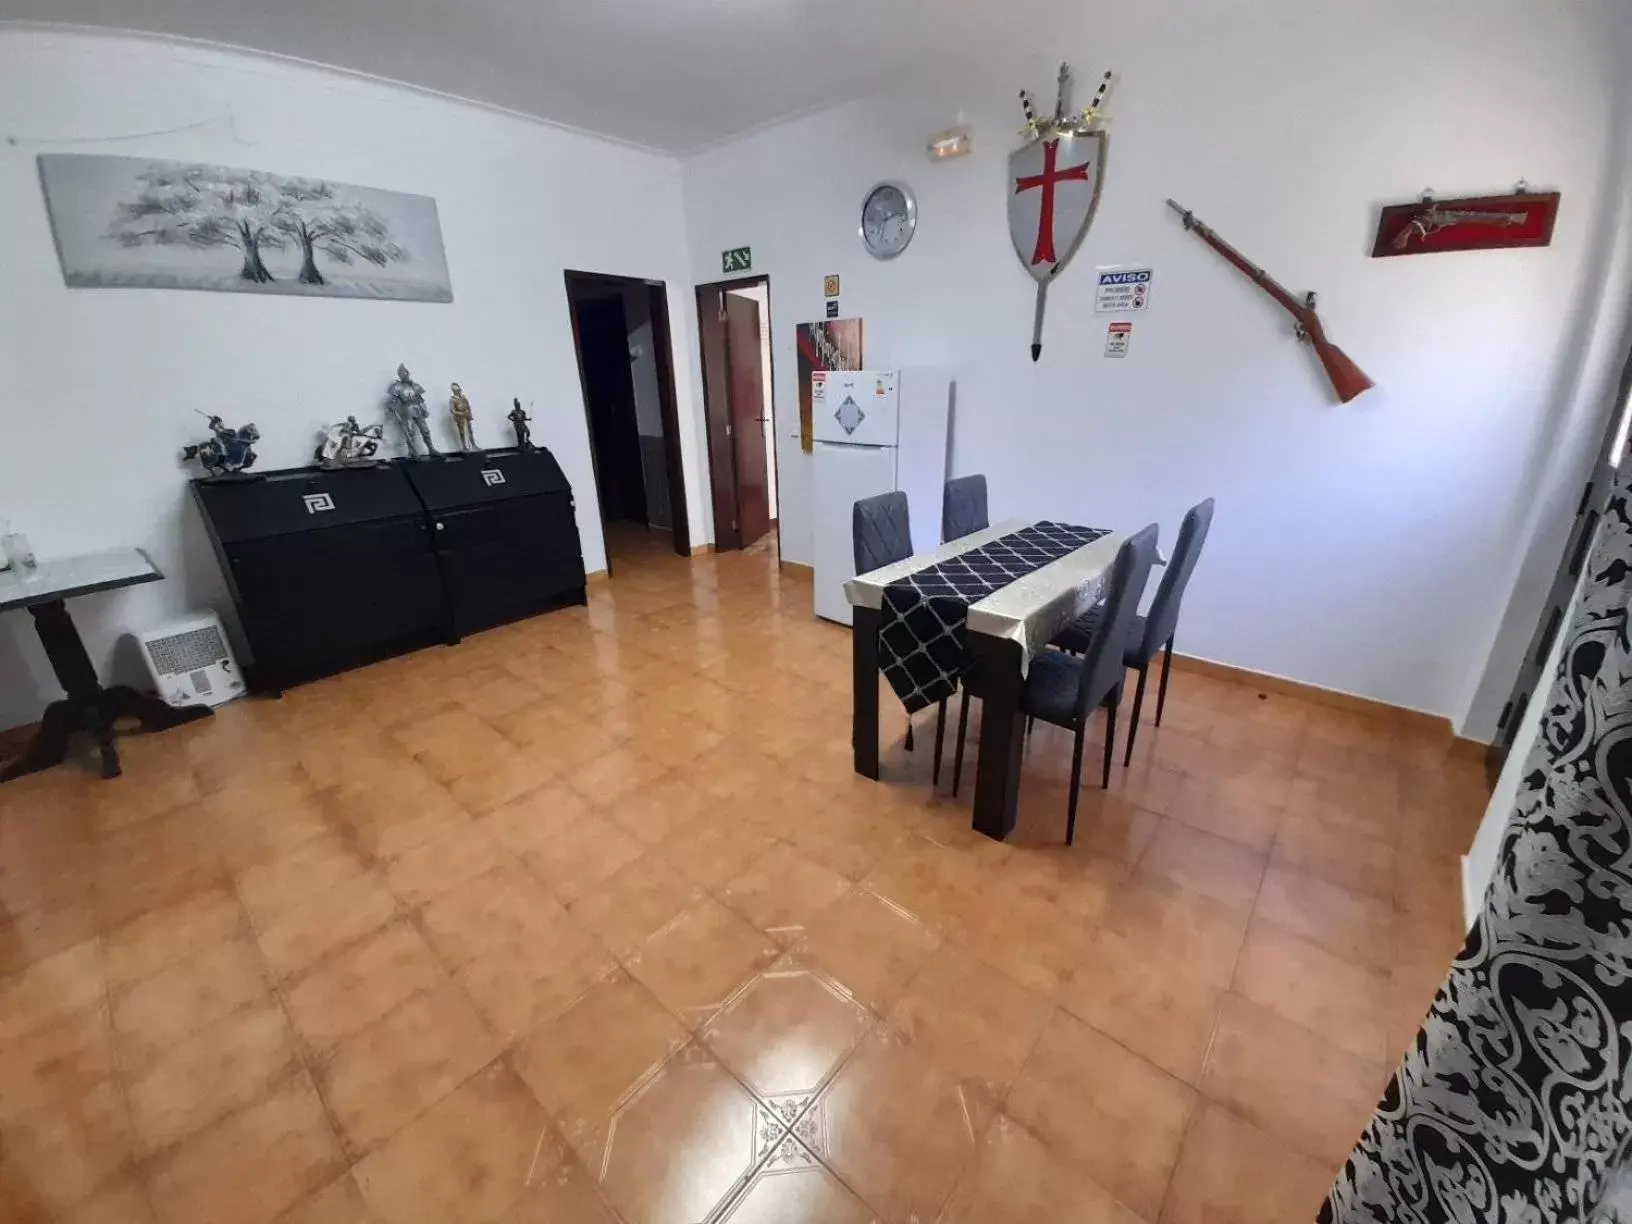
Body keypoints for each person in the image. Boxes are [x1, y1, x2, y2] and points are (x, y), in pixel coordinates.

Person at [385, 364, 437, 457]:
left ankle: (431, 449)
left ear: (408, 373)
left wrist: (424, 409)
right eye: (401, 373)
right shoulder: (396, 387)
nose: (404, 375)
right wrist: (393, 408)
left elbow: (420, 399)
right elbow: (393, 401)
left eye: (405, 373)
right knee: (410, 432)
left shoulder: (415, 386)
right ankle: (412, 452)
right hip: (406, 411)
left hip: (418, 410)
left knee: (426, 431)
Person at [449, 383, 476, 450]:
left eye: (458, 390)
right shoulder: (452, 399)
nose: (458, 391)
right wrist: (461, 413)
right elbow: (452, 410)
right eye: (456, 390)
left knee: (470, 431)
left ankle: (473, 445)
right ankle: (464, 446)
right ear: (453, 391)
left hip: (466, 416)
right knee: (462, 432)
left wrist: (469, 415)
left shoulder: (464, 398)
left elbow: (468, 407)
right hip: (460, 418)